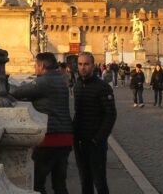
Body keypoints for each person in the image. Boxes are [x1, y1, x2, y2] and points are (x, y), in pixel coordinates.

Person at [10, 52, 72, 194]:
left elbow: (17, 92)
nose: (34, 68)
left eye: (35, 65)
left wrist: (2, 85)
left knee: (37, 184)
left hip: (49, 138)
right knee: (59, 184)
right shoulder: (60, 79)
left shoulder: (44, 81)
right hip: (66, 137)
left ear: (42, 65)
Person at [72, 52, 116, 194]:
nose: (83, 67)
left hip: (95, 143)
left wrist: (98, 139)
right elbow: (78, 113)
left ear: (93, 65)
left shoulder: (102, 87)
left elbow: (111, 115)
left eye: (86, 64)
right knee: (85, 181)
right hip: (79, 141)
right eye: (80, 64)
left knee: (100, 182)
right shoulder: (77, 85)